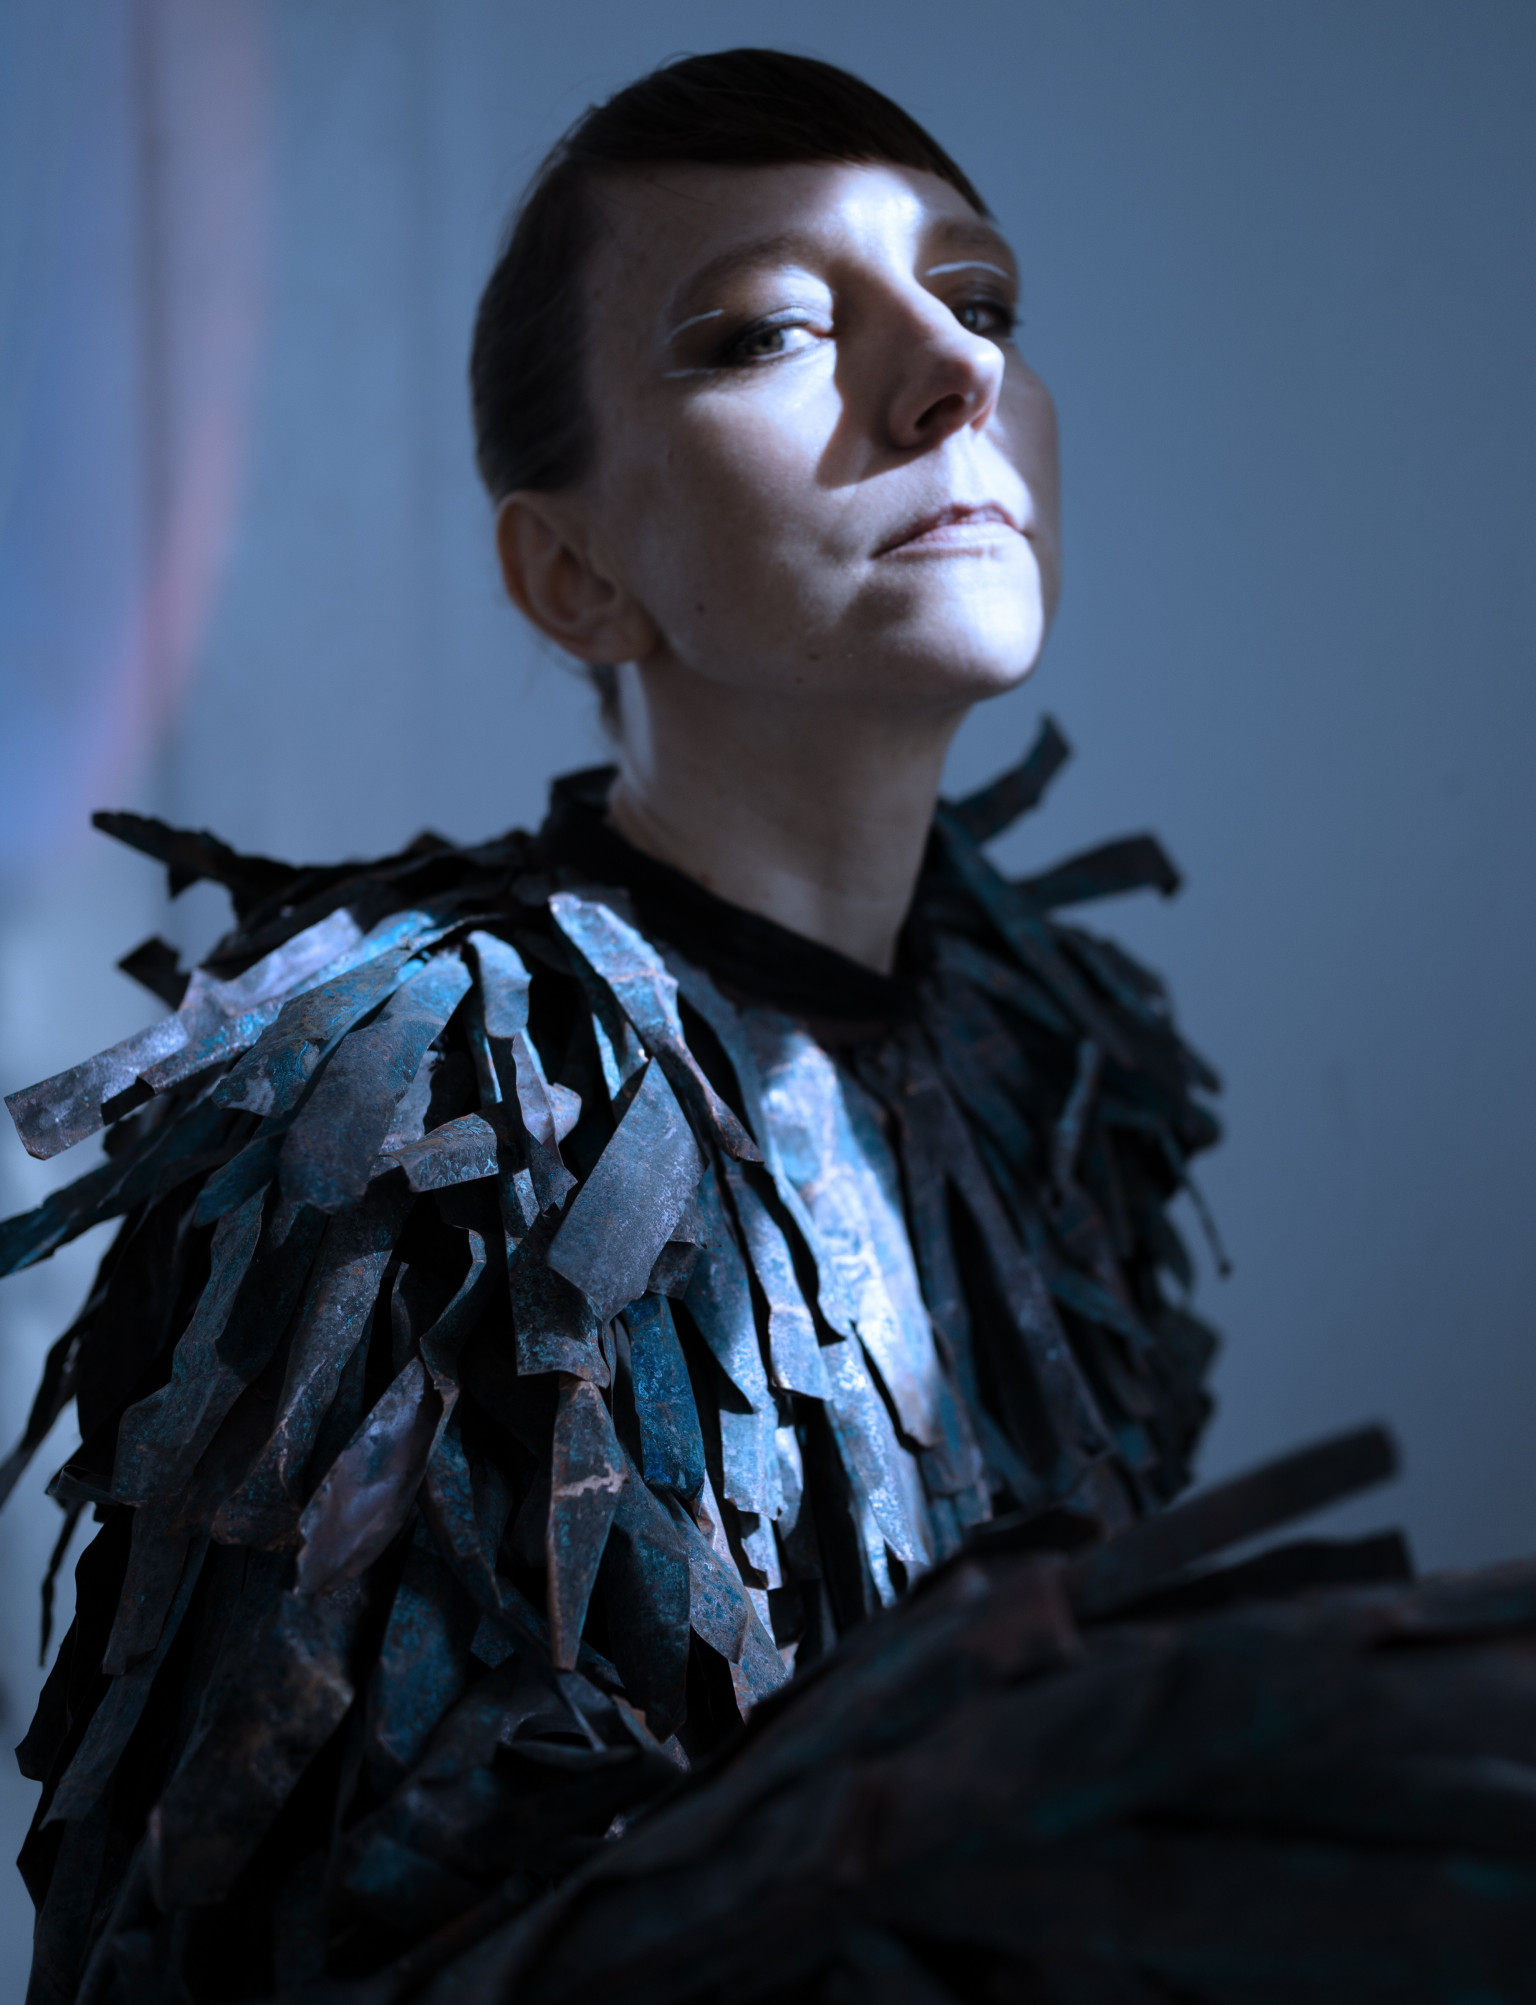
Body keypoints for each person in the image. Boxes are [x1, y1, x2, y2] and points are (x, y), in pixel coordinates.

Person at [13, 49, 1527, 2005]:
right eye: (767, 332)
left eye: (983, 302)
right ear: (574, 572)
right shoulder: (406, 1104)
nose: (954, 371)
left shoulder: (1062, 1068)